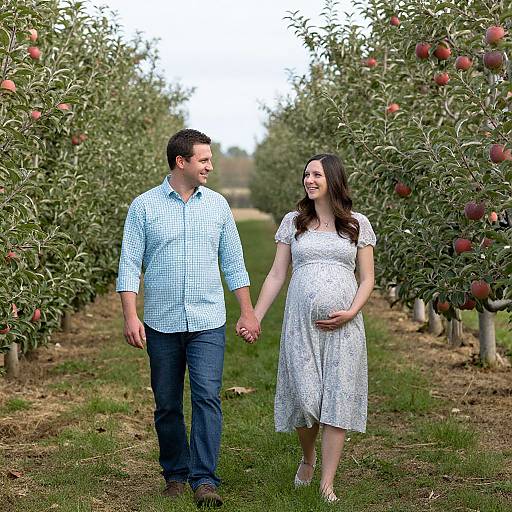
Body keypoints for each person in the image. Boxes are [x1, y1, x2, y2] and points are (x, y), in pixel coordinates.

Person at [116, 128, 260, 508]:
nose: (210, 166)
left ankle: (205, 479)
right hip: (160, 322)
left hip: (207, 319)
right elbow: (129, 265)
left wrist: (247, 310)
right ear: (181, 162)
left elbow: (234, 263)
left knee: (207, 398)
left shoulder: (217, 206)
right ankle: (175, 474)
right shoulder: (144, 207)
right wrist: (131, 316)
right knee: (166, 403)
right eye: (204, 160)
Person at [240, 153, 375, 502]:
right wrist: (255, 315)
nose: (309, 180)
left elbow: (368, 279)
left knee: (337, 396)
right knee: (305, 397)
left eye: (316, 174)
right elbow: (276, 275)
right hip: (301, 323)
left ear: (333, 179)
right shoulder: (294, 222)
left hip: (345, 326)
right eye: (306, 175)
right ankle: (308, 456)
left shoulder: (357, 224)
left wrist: (351, 312)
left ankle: (327, 483)